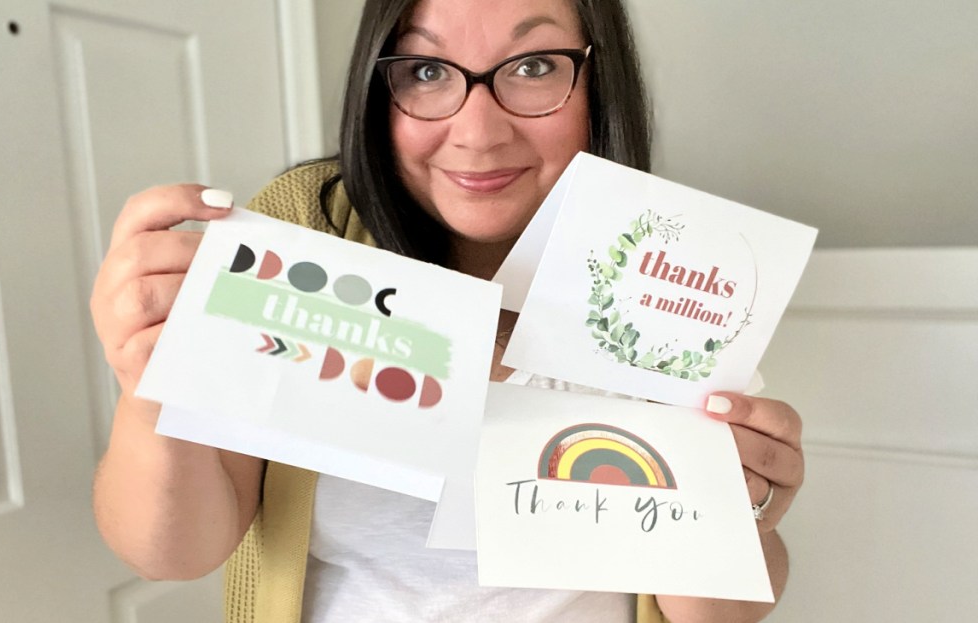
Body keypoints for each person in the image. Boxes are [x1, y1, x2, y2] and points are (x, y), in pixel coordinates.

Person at [90, 1, 804, 621]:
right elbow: (173, 552)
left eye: (533, 66)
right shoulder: (308, 227)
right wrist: (148, 388)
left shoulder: (664, 270)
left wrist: (742, 506)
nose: (477, 132)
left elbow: (719, 610)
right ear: (381, 83)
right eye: (427, 71)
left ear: (598, 77)